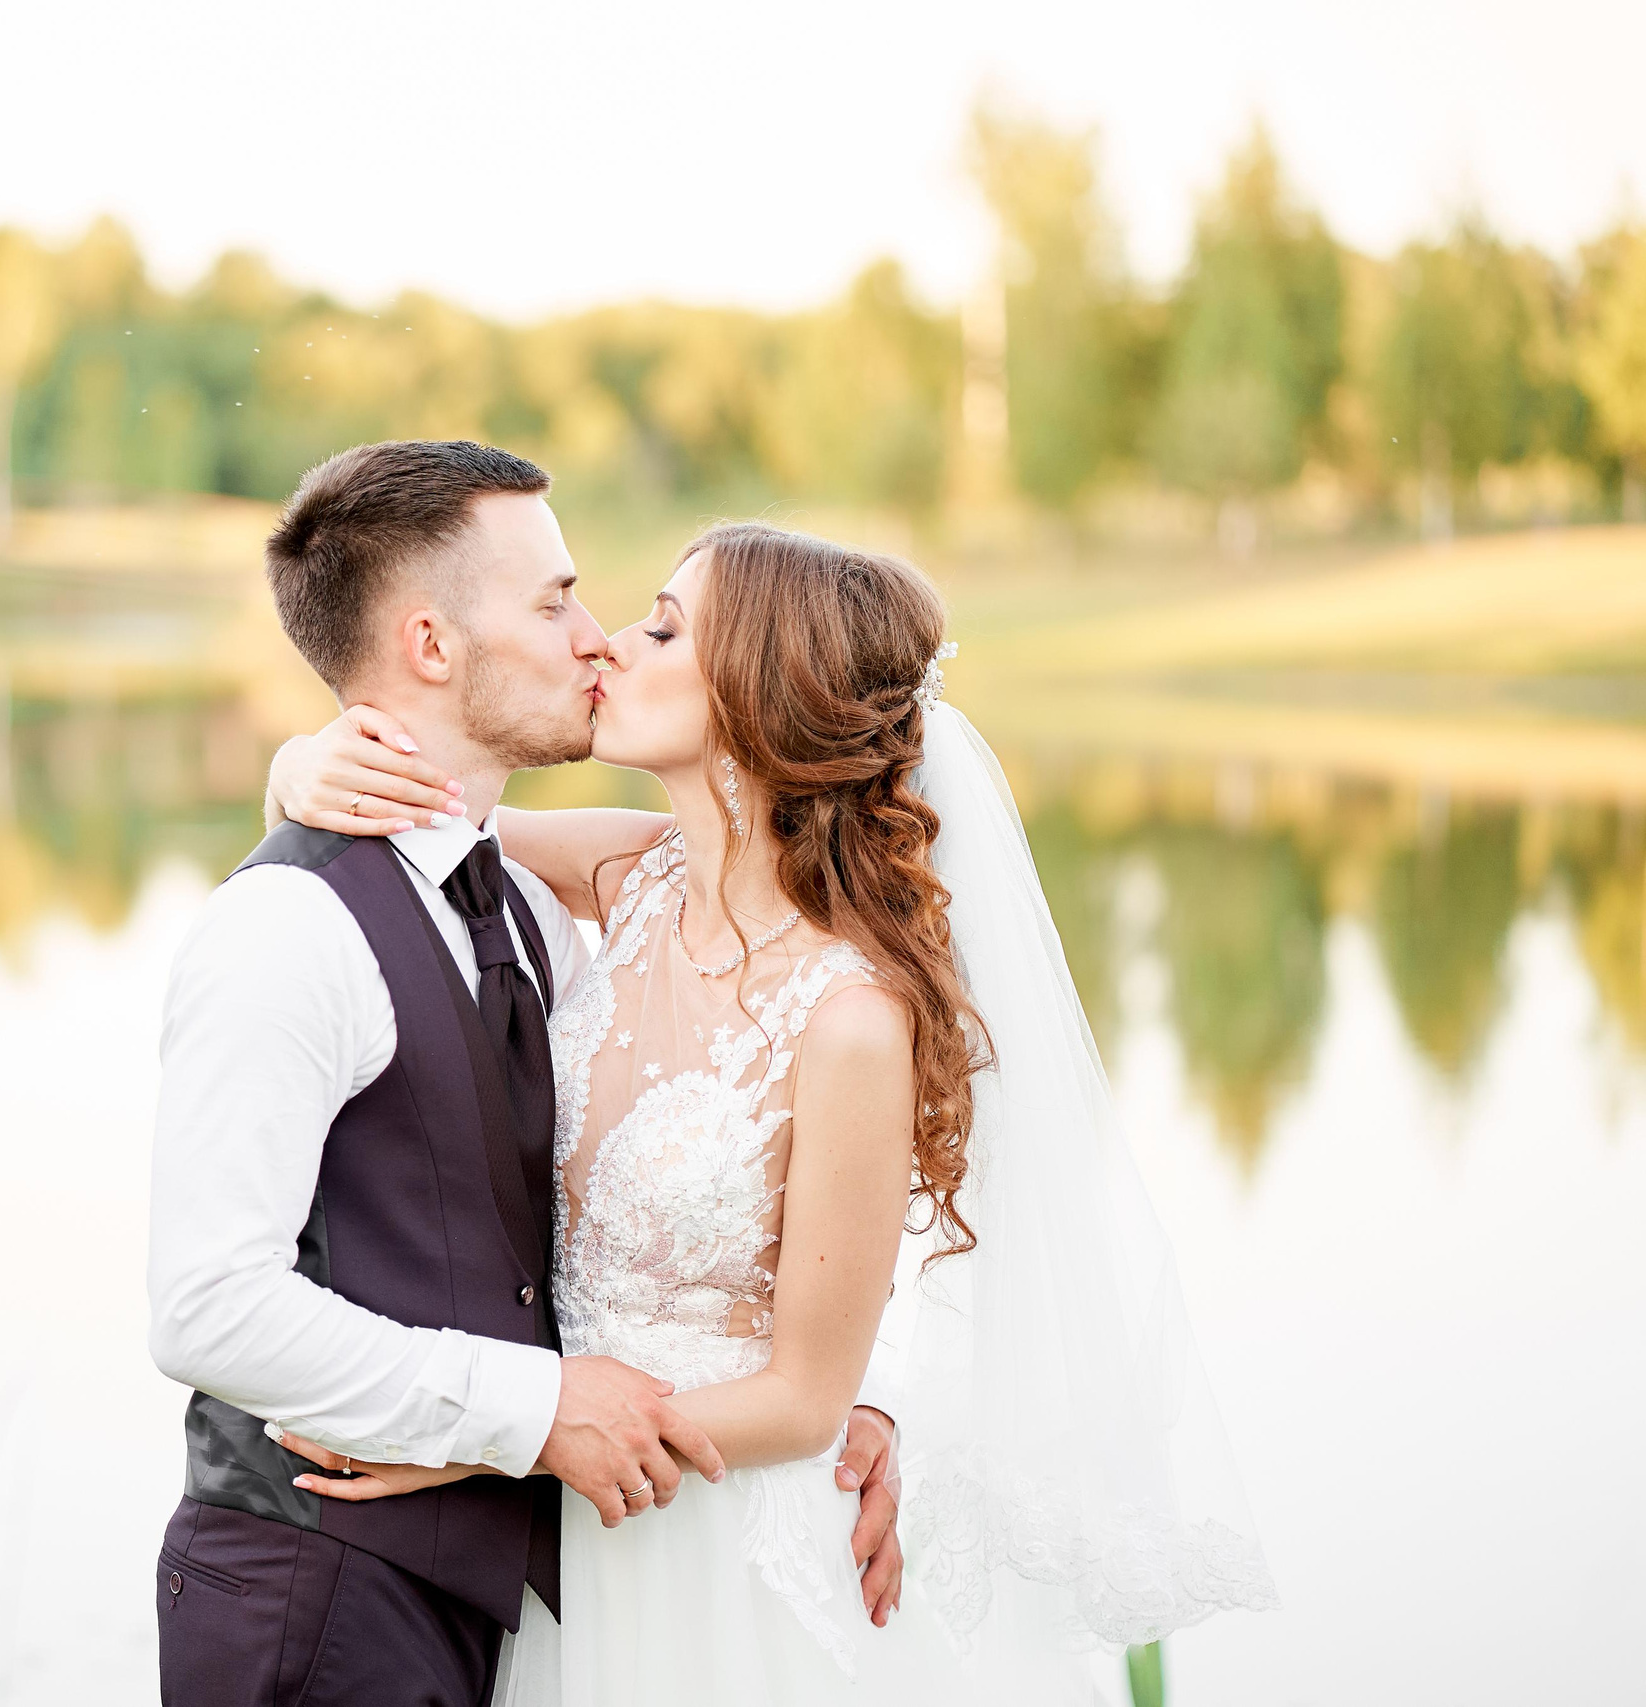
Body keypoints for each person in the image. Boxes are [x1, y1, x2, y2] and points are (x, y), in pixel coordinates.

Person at [262, 512, 1280, 1701]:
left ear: (757, 694)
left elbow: (803, 1401)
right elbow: (411, 837)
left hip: (710, 1552)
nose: (609, 650)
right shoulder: (629, 877)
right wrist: (297, 769)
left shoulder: (848, 1018)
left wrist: (493, 1449)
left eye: (661, 627)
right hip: (578, 1537)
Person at [144, 442, 911, 1707]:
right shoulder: (289, 927)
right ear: (435, 646)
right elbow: (204, 1307)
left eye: (637, 620)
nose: (597, 640)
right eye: (558, 602)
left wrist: (843, 1401)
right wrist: (530, 1413)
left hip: (565, 1579)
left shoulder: (549, 912)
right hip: (317, 1593)